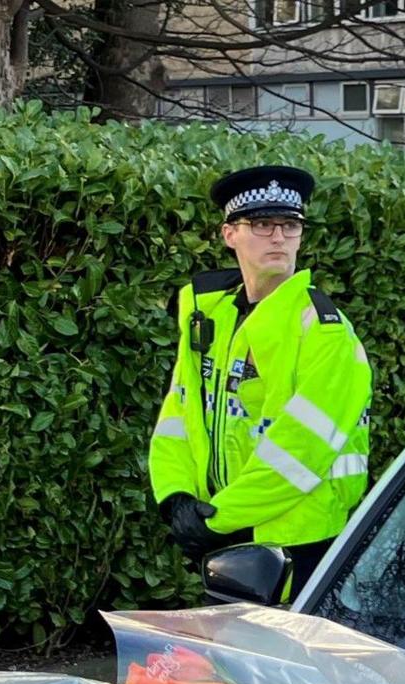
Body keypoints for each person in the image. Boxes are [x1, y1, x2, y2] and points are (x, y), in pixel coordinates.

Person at [147, 164, 374, 593]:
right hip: (226, 536)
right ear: (229, 234)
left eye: (290, 225)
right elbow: (179, 416)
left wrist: (215, 518)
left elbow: (300, 451)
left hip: (297, 545)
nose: (278, 237)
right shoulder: (208, 317)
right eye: (262, 224)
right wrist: (175, 496)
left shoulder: (324, 331)